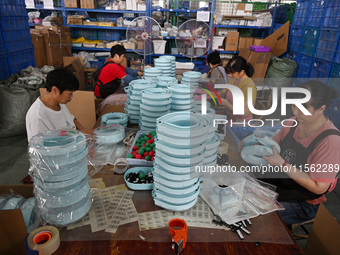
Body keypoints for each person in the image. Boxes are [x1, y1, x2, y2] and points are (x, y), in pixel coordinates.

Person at [262, 80, 340, 225]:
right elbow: (273, 145)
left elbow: (319, 187)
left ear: (321, 108)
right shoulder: (293, 122)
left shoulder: (330, 141)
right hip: (281, 186)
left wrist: (283, 164)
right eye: (293, 105)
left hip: (303, 202)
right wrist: (257, 145)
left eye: (303, 107)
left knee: (260, 218)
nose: (295, 111)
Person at [26, 68, 93, 141]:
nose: (72, 97)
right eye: (70, 93)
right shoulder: (38, 117)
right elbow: (45, 149)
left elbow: (71, 118)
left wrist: (84, 130)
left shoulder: (58, 102)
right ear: (54, 90)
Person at [218, 56, 256, 121]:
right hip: (229, 116)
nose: (230, 75)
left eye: (232, 72)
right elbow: (223, 91)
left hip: (241, 122)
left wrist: (226, 103)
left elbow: (245, 112)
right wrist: (214, 94)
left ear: (242, 72)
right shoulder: (234, 80)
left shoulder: (249, 87)